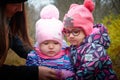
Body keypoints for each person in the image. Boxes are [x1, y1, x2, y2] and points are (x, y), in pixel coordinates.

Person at [0, 0, 60, 80]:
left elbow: (22, 47)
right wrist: (34, 73)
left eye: (22, 4)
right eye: (15, 3)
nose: (20, 9)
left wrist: (45, 55)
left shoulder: (7, 26)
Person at [62, 0, 118, 79]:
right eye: (67, 32)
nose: (70, 36)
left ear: (86, 31)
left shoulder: (95, 48)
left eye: (76, 32)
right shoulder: (74, 46)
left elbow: (87, 72)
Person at [26, 4, 74, 80]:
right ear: (39, 44)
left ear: (61, 43)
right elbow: (30, 73)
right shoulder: (35, 57)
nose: (51, 47)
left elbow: (72, 73)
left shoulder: (66, 56)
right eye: (46, 43)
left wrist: (64, 75)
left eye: (55, 43)